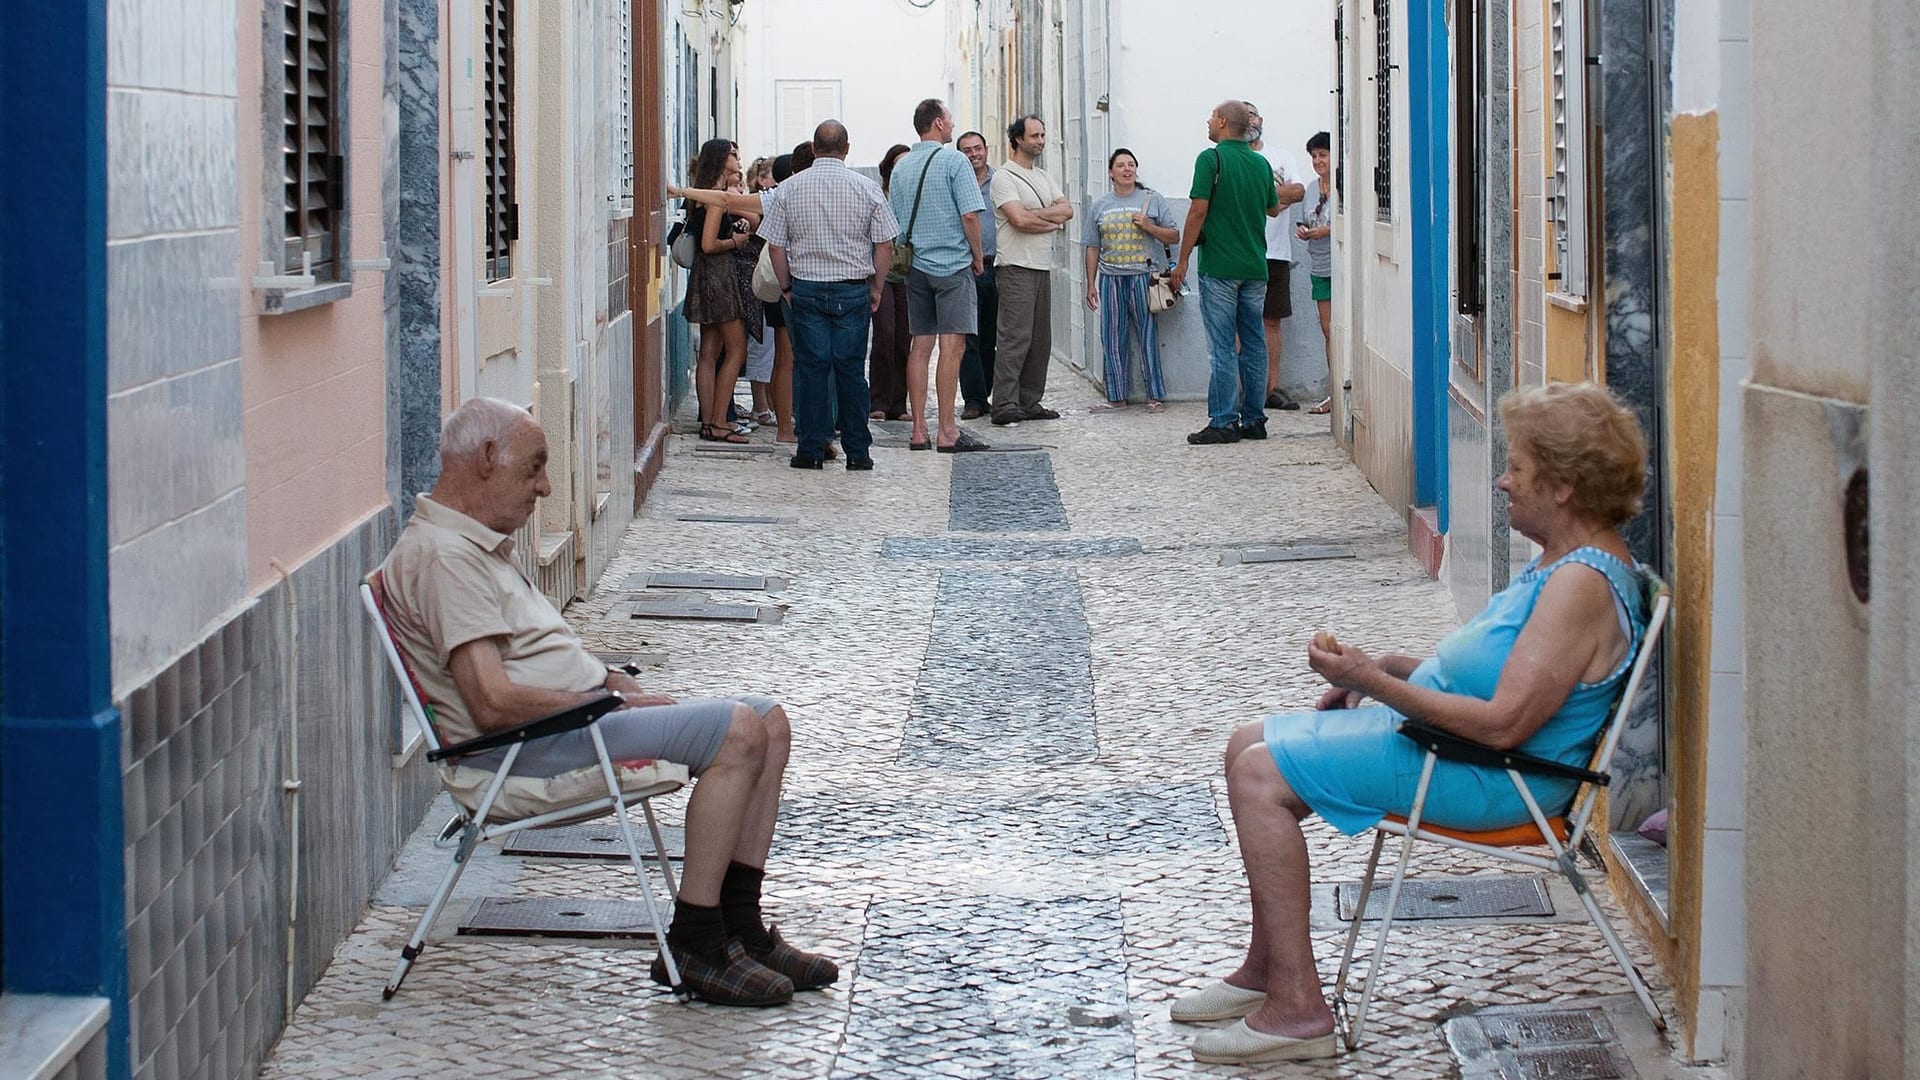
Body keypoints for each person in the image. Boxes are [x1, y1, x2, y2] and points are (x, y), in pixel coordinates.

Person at [1175, 382, 1650, 1064]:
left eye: (1518, 466)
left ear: (1566, 485)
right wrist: (1394, 667)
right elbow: (1501, 681)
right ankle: (1268, 970)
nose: (1503, 480)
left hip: (1496, 777)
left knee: (1259, 773)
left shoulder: (1581, 584)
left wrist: (1369, 682)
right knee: (1245, 741)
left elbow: (1503, 724)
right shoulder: (1563, 562)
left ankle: (1299, 1011)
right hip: (1459, 753)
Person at [380, 397, 835, 1007]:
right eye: (535, 466)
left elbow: (518, 669)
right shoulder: (445, 558)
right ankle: (697, 941)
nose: (544, 487)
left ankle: (741, 929)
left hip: (568, 725)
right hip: (526, 752)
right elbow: (490, 703)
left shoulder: (469, 544)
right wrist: (598, 703)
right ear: (486, 458)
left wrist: (609, 685)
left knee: (768, 720)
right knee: (738, 732)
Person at [758, 120, 899, 471]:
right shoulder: (866, 189)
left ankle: (811, 448)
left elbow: (775, 246)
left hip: (806, 289)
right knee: (851, 370)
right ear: (846, 148)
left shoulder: (789, 189)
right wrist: (877, 287)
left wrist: (787, 286)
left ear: (815, 148)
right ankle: (858, 451)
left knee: (811, 368)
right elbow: (885, 244)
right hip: (852, 289)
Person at [1168, 101, 1280, 446]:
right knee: (1254, 344)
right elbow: (1273, 207)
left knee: (1222, 347)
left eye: (1210, 117)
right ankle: (1255, 419)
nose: (1207, 122)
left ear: (1221, 122)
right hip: (1255, 266)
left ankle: (1224, 420)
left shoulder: (1210, 159)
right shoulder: (1260, 163)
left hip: (1220, 267)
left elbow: (1198, 211)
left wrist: (1183, 258)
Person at [889, 98, 991, 453]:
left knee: (920, 346)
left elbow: (895, 221)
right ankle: (947, 430)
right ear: (937, 123)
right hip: (952, 265)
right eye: (949, 118)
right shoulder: (954, 161)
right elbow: (970, 217)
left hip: (916, 266)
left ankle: (918, 430)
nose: (952, 123)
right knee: (952, 348)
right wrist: (977, 257)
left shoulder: (902, 168)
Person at [987, 115, 1072, 426]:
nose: (1040, 141)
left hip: (1040, 265)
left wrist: (1035, 215)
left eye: (1042, 135)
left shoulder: (1044, 177)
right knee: (1014, 337)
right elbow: (1018, 220)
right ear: (1017, 139)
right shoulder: (1004, 178)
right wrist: (1050, 221)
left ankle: (1030, 400)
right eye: (1034, 136)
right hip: (1015, 266)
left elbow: (1068, 209)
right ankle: (1004, 403)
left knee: (1040, 339)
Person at [1081, 148, 1179, 412]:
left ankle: (1154, 395)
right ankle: (1116, 396)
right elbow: (1091, 246)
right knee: (1112, 337)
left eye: (1132, 164)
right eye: (1121, 165)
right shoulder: (1101, 205)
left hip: (1143, 277)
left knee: (1148, 335)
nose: (1127, 169)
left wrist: (1149, 226)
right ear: (1111, 172)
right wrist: (1091, 283)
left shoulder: (1151, 199)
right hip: (1111, 278)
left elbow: (1173, 236)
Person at [684, 138, 762, 445]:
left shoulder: (701, 193)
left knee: (709, 352)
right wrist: (735, 242)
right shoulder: (716, 196)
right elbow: (708, 244)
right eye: (733, 154)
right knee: (736, 350)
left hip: (705, 276)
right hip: (719, 275)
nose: (738, 159)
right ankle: (718, 421)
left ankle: (709, 420)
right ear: (720, 159)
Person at [1246, 103, 1308, 412]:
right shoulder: (1226, 158)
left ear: (1261, 120)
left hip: (1276, 252)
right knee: (1239, 323)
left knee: (1272, 322)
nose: (1250, 120)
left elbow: (1297, 192)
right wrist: (1272, 198)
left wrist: (1263, 200)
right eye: (1243, 115)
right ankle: (1245, 388)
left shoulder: (1281, 156)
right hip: (1242, 251)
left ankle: (1271, 387)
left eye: (1253, 114)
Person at [867, 144, 915, 422]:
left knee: (904, 339)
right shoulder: (878, 195)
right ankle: (878, 400)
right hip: (881, 274)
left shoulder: (913, 197)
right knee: (884, 335)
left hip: (908, 273)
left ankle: (899, 403)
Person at [956, 130, 997, 419]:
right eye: (967, 150)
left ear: (986, 149)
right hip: (966, 266)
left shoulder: (1002, 182)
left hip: (997, 266)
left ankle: (986, 394)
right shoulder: (956, 182)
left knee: (991, 335)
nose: (973, 154)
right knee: (967, 336)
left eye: (977, 148)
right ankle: (973, 398)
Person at [1296, 131, 1335, 413]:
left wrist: (1328, 231)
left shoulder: (1344, 187)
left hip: (1341, 267)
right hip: (1319, 265)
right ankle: (1333, 389)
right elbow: (1304, 219)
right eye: (1314, 156)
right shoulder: (1311, 189)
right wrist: (1304, 230)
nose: (1318, 161)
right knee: (1327, 329)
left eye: (1323, 154)